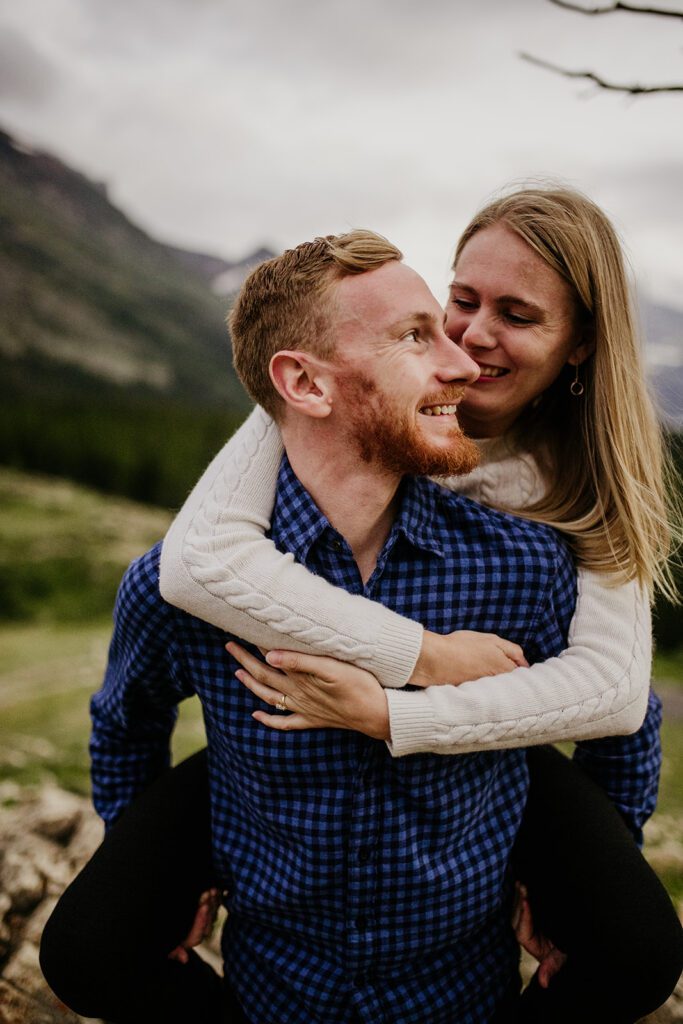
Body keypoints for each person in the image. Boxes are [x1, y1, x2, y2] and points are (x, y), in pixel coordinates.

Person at [39, 199, 681, 1020]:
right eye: (456, 308)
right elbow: (194, 577)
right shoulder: (270, 468)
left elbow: (616, 699)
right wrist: (426, 656)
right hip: (269, 792)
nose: (465, 347)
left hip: (494, 746)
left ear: (578, 345)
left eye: (516, 316)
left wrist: (392, 716)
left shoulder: (561, 518)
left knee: (636, 945)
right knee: (88, 948)